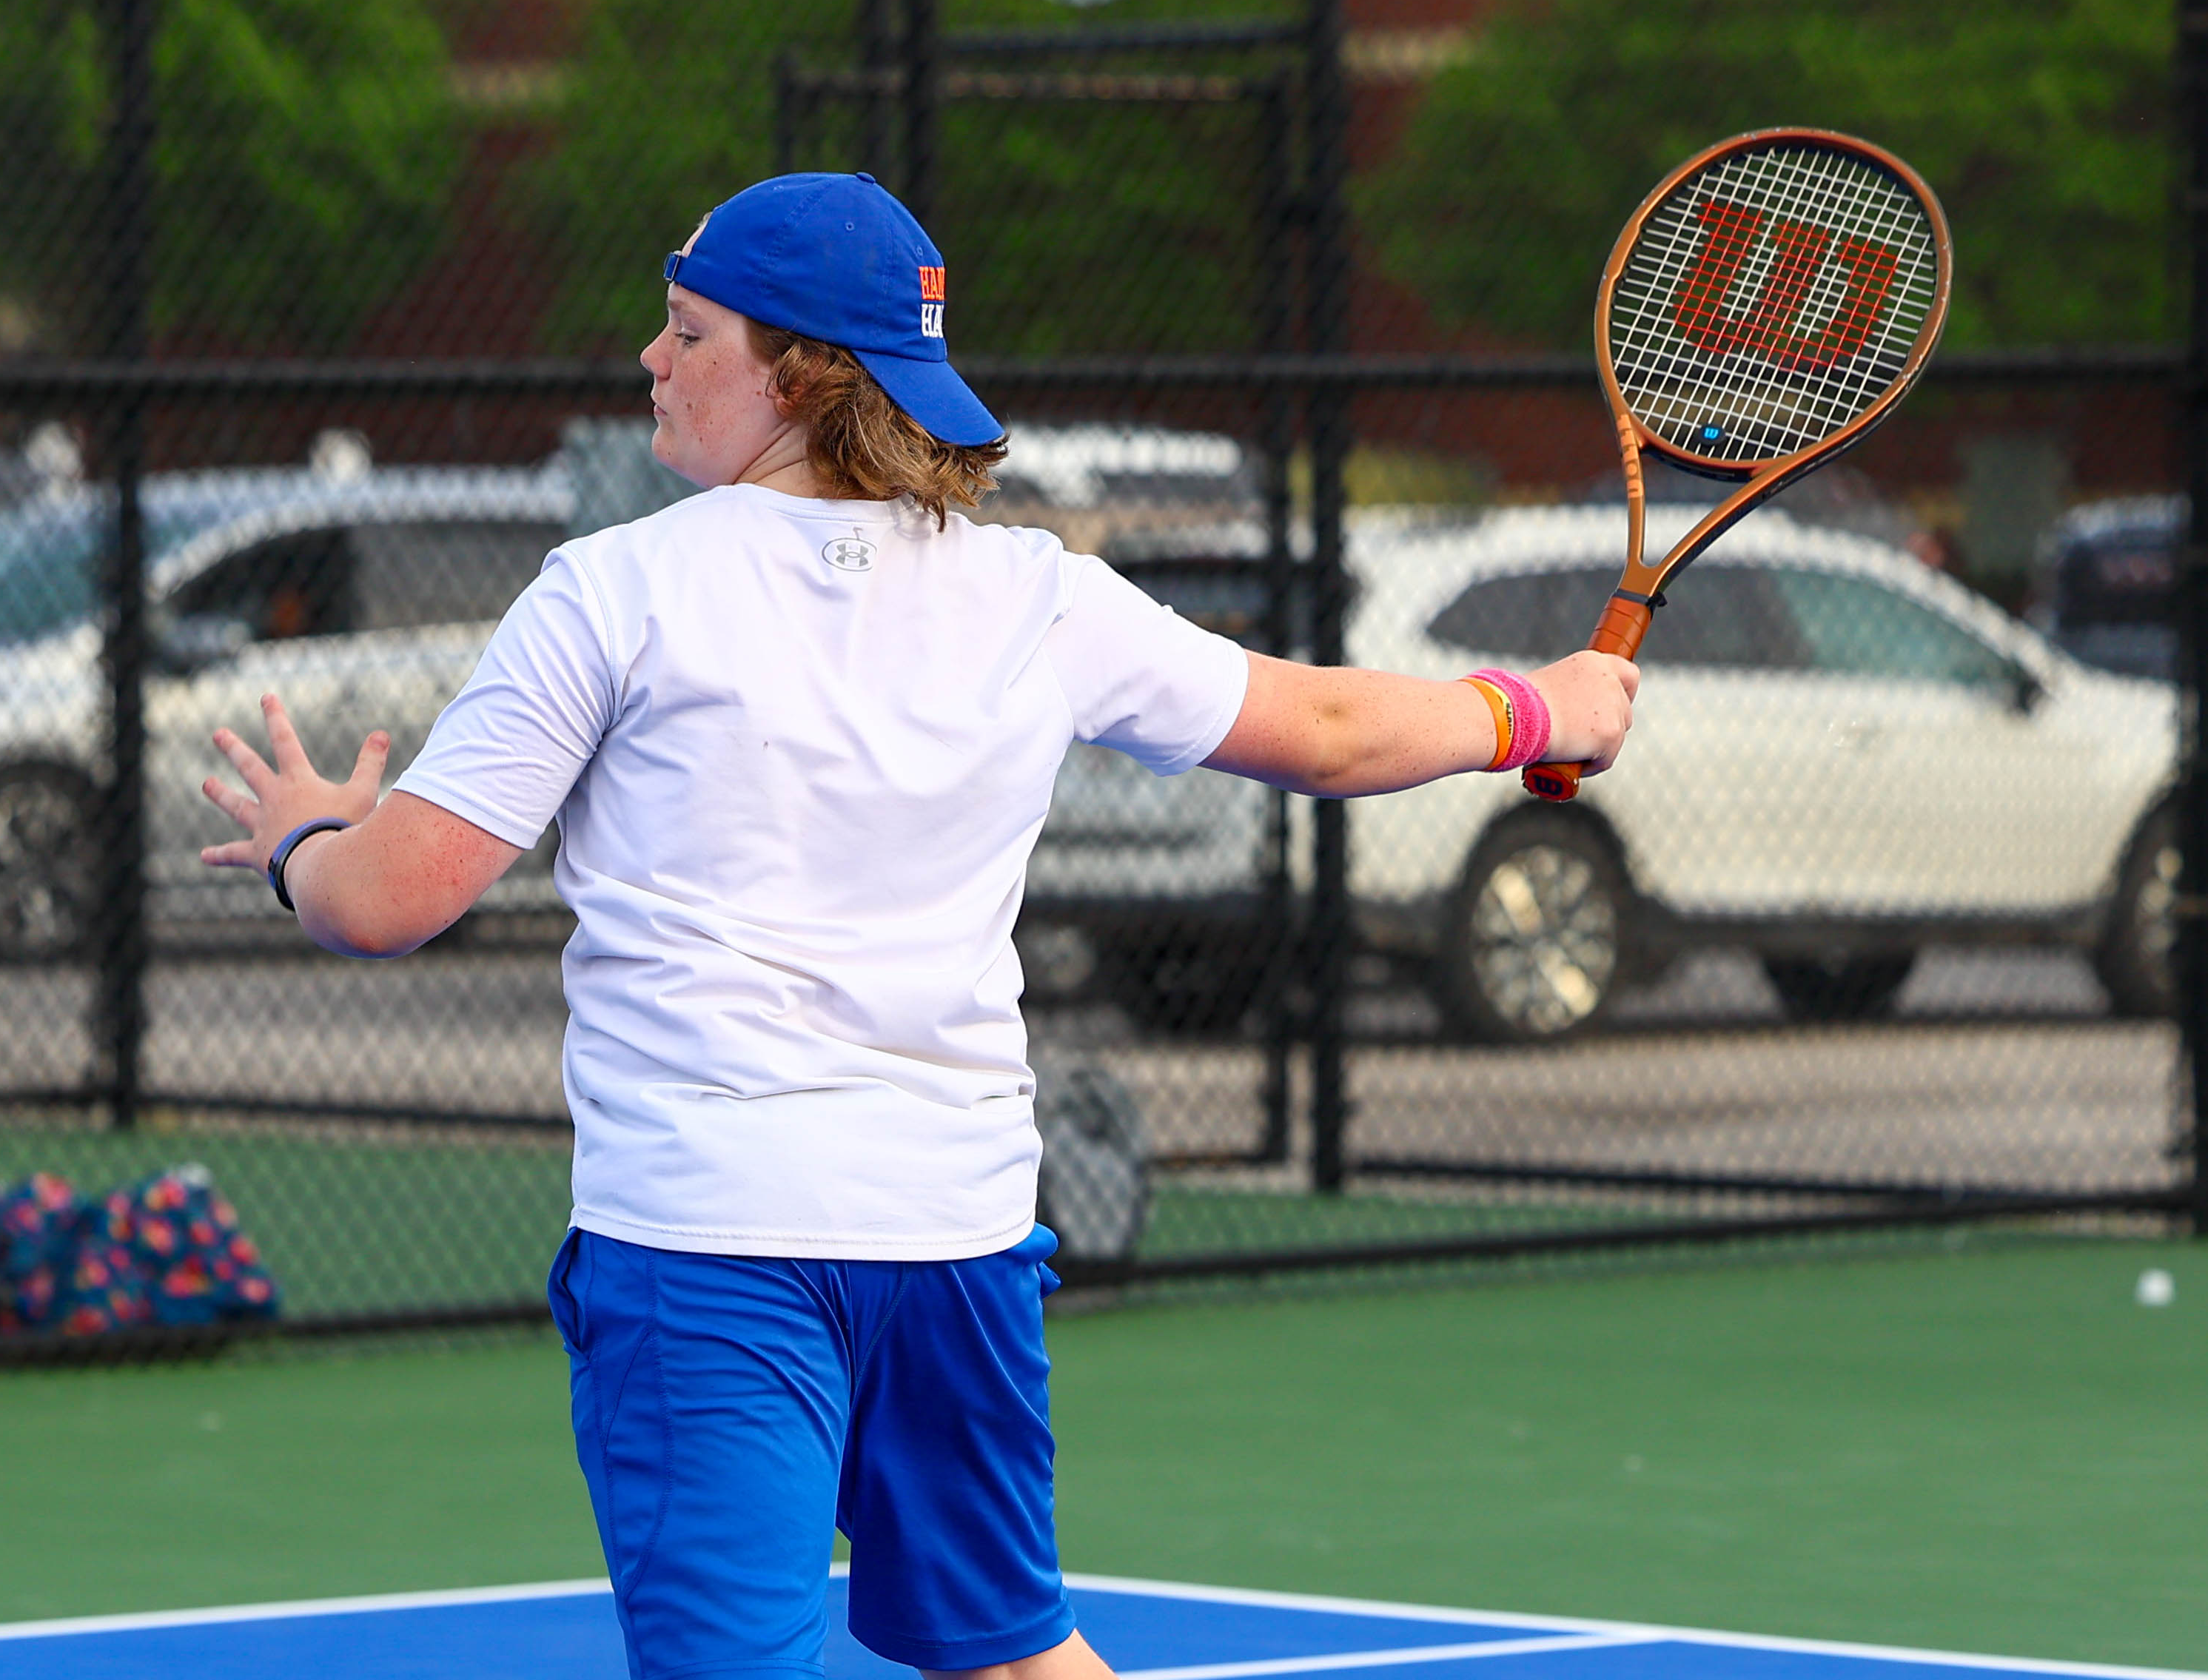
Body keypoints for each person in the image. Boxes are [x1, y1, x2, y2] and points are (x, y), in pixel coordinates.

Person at [199, 171, 1637, 1680]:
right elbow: (1331, 733)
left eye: (688, 329)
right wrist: (1539, 708)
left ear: (797, 374)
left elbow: (385, 901)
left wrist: (303, 839)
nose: (651, 356)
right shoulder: (1042, 595)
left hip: (713, 1244)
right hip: (954, 1235)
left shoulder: (612, 593)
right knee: (1015, 1656)